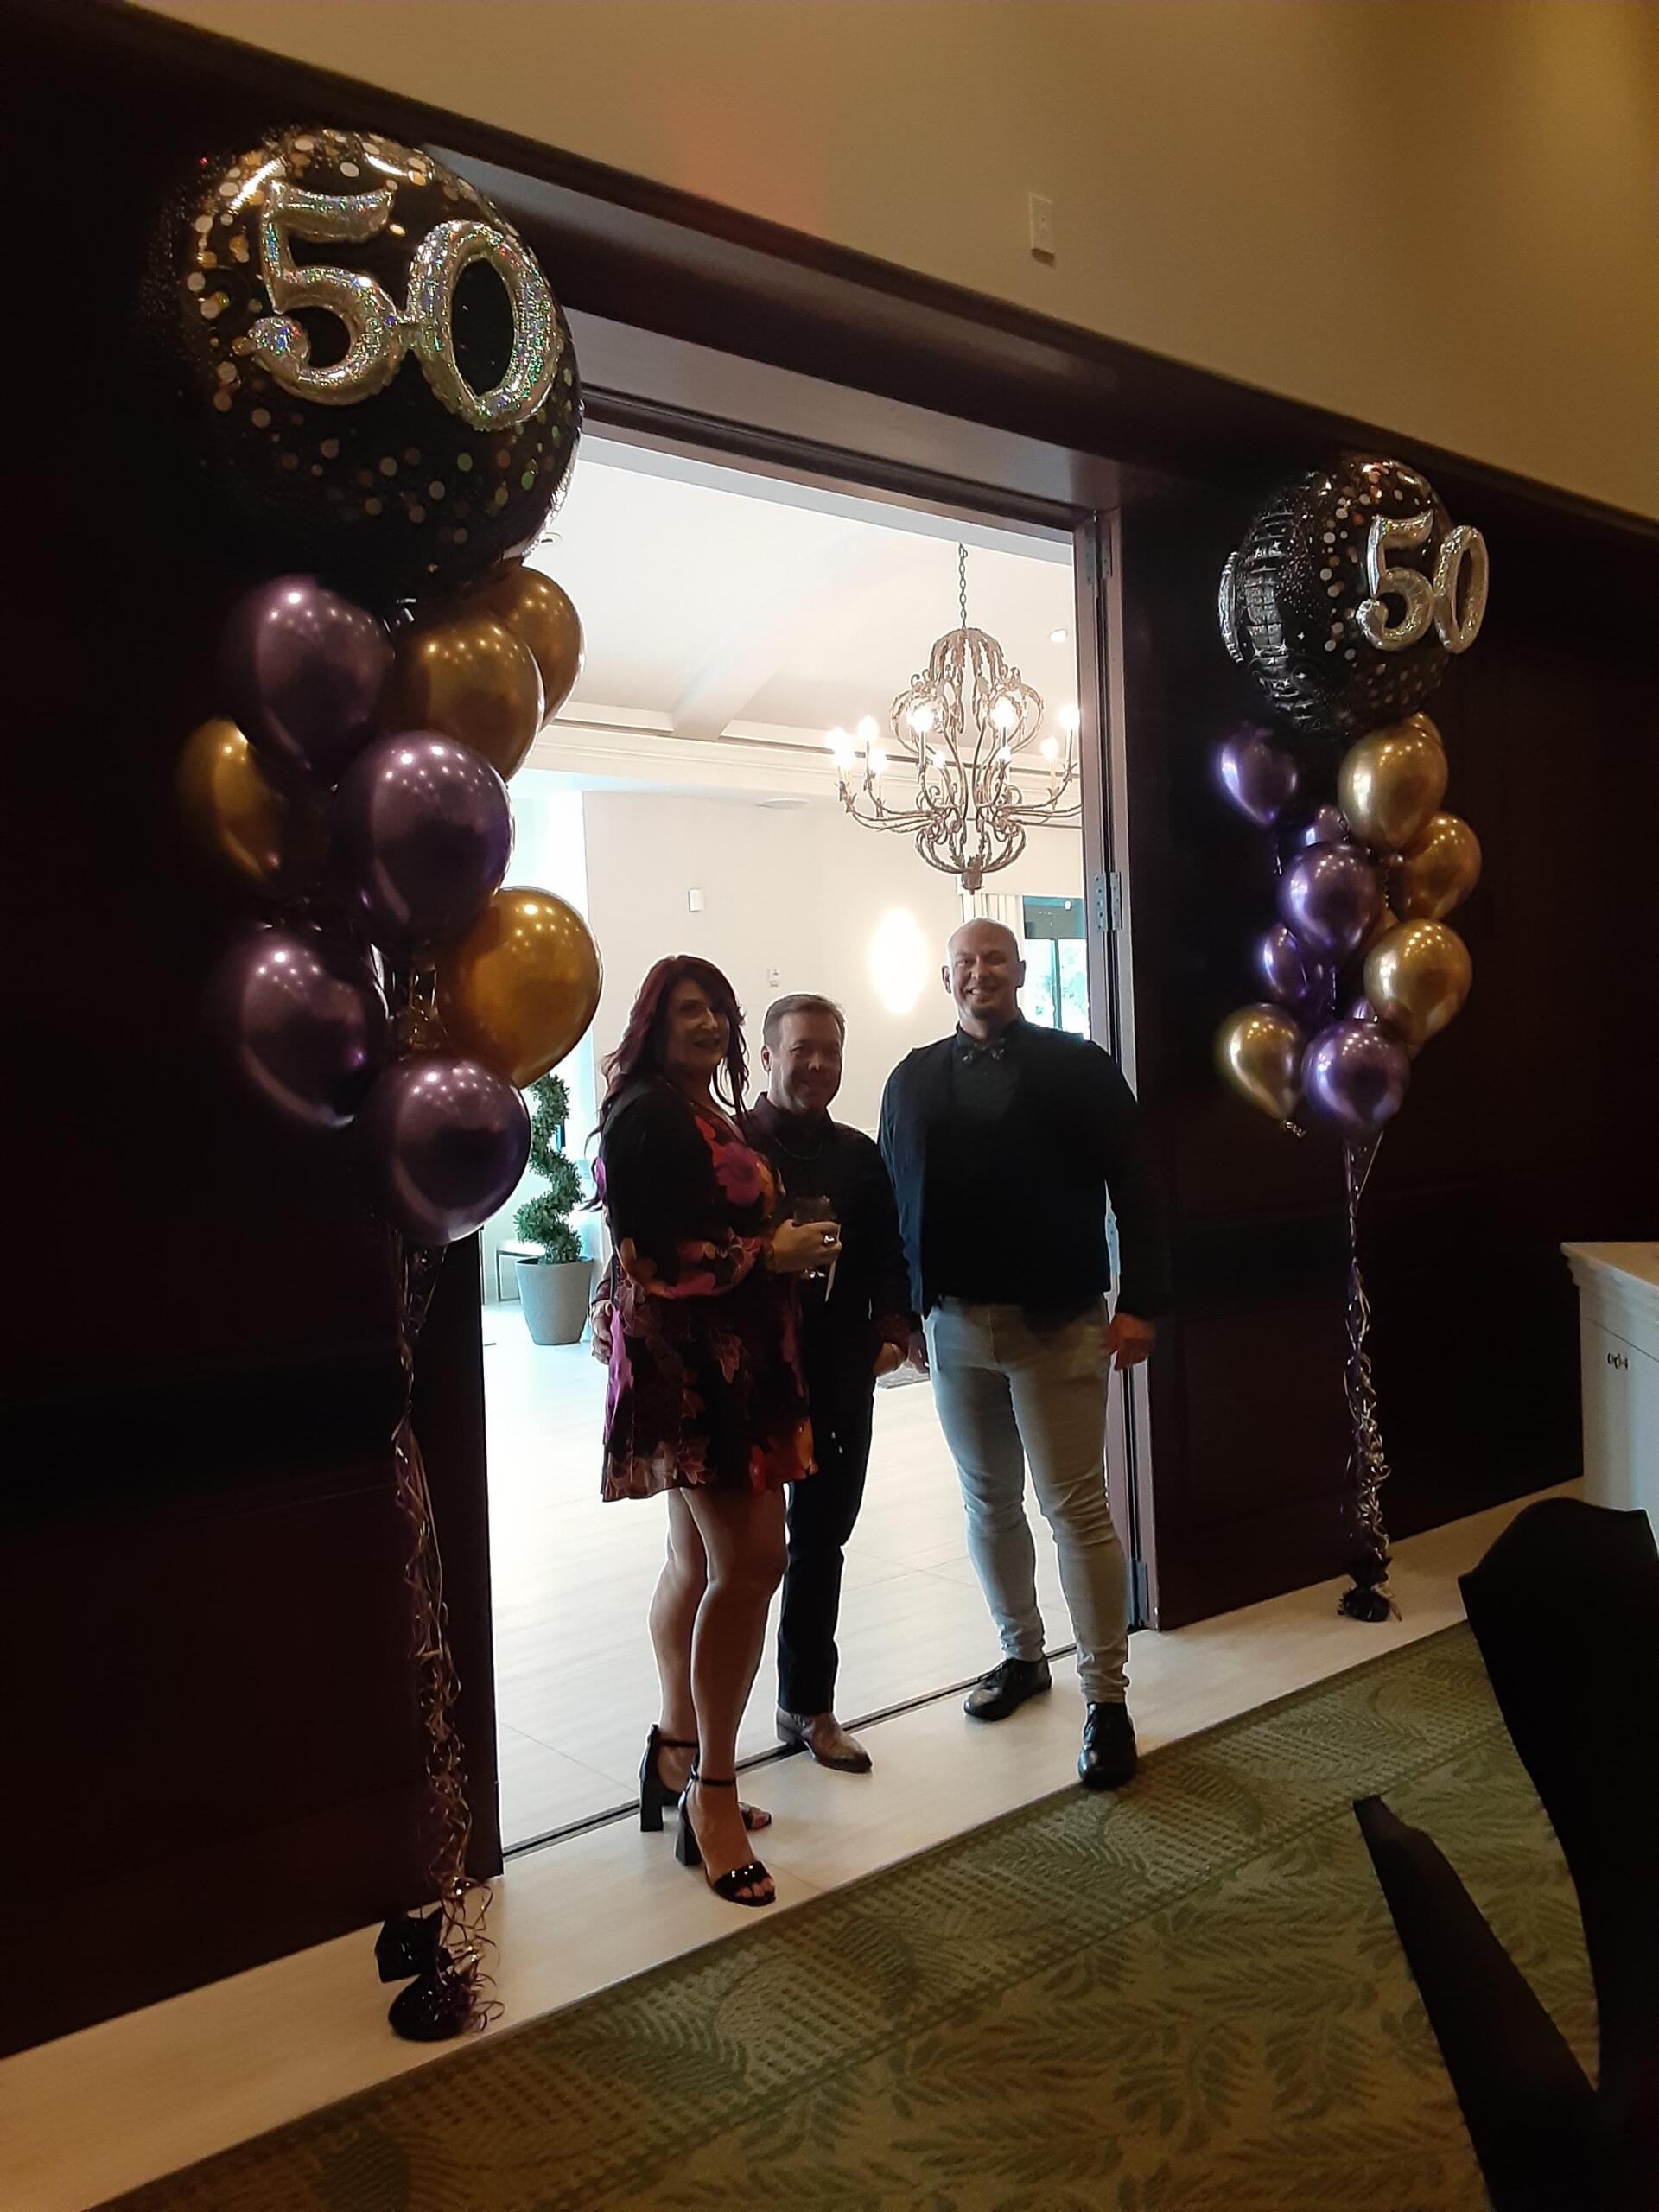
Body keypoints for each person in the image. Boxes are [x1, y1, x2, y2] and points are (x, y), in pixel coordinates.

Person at [879, 918, 1167, 1792]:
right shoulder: (913, 1077)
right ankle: (1022, 1655)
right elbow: (894, 1199)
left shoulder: (1077, 1065)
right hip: (957, 1326)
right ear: (946, 976)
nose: (980, 973)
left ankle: (1107, 1700)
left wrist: (1143, 1301)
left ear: (1020, 970)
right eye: (965, 962)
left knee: (1076, 1507)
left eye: (994, 958)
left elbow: (1139, 1183)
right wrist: (900, 1314)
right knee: (987, 1502)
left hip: (1062, 1321)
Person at [596, 956, 841, 1906]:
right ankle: (714, 1793)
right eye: (690, 1009)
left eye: (719, 1011)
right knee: (752, 1563)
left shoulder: (703, 1110)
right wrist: (762, 1251)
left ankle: (674, 1751)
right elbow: (649, 1252)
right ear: (656, 1022)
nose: (708, 1023)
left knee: (699, 1568)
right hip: (699, 1377)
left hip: (735, 1360)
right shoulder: (647, 1112)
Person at [748, 995, 913, 1775]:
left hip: (840, 1375)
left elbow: (887, 1255)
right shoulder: (732, 1147)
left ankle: (806, 1706)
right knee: (736, 1561)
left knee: (821, 1544)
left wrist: (888, 1337)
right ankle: (701, 1738)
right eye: (801, 1050)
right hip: (745, 1379)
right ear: (766, 1056)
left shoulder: (857, 1153)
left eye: (830, 1053)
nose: (816, 1066)